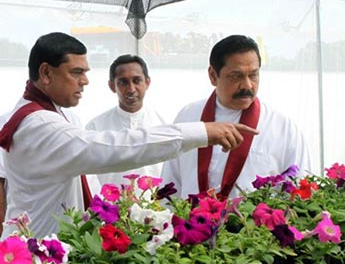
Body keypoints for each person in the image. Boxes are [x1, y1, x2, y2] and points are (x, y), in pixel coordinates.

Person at [0, 32, 258, 238]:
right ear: (46, 73)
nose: (85, 81)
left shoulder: (62, 116)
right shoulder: (37, 125)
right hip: (35, 251)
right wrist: (202, 131)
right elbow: (110, 148)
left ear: (148, 82)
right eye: (76, 72)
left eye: (86, 73)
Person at [161, 35, 311, 200]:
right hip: (193, 222)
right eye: (236, 76)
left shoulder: (282, 127)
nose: (247, 85)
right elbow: (171, 181)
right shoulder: (188, 117)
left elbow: (299, 189)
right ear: (213, 75)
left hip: (253, 225)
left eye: (253, 75)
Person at [86, 54, 165, 189]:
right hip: (110, 208)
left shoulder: (163, 124)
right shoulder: (95, 127)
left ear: (147, 83)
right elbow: (88, 177)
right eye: (123, 82)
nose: (131, 89)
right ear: (112, 86)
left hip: (157, 207)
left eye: (137, 80)